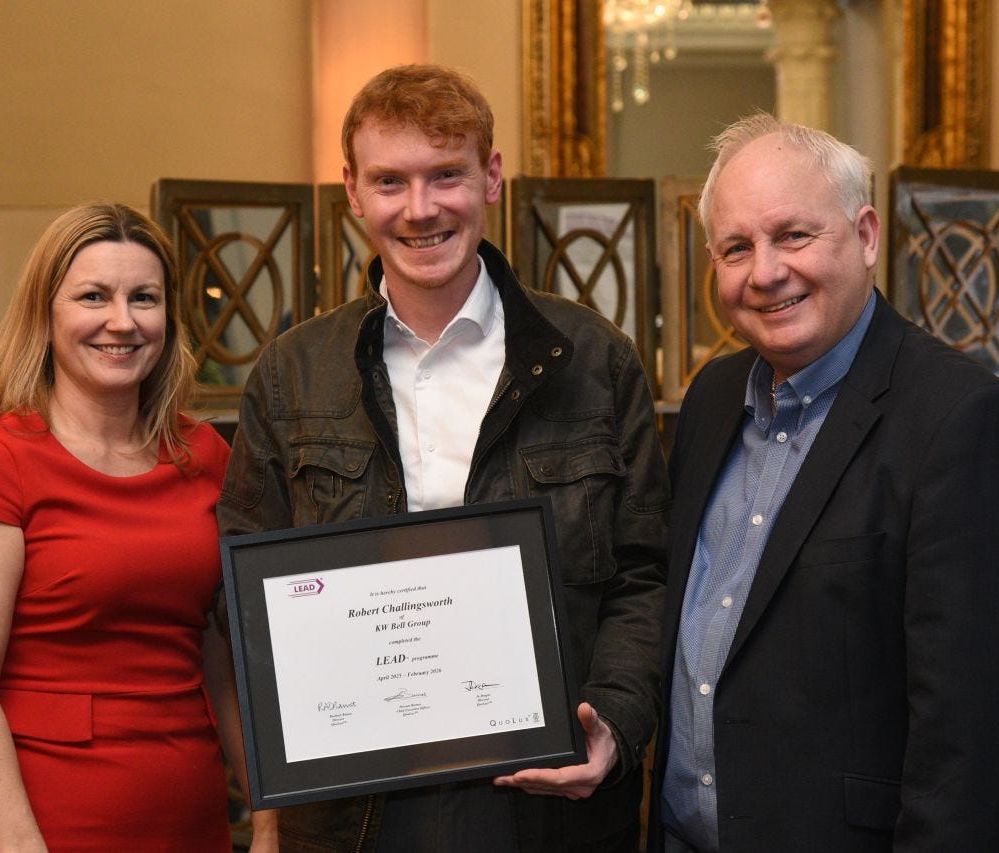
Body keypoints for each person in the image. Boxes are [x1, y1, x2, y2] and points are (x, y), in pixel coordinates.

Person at [217, 64, 669, 852]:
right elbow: (245, 593)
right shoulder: (292, 373)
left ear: (491, 177)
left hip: (549, 807)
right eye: (390, 181)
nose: (420, 208)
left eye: (446, 175)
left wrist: (615, 721)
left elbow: (645, 574)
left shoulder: (595, 361)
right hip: (355, 816)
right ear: (352, 192)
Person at [648, 114, 999, 852]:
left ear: (867, 235)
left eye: (793, 236)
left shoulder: (963, 421)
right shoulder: (710, 400)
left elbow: (978, 751)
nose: (765, 272)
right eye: (737, 247)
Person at [0, 203, 243, 851]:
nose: (122, 321)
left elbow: (225, 656)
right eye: (93, 296)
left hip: (191, 813)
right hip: (43, 819)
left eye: (144, 298)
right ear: (44, 315)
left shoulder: (206, 454)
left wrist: (269, 817)